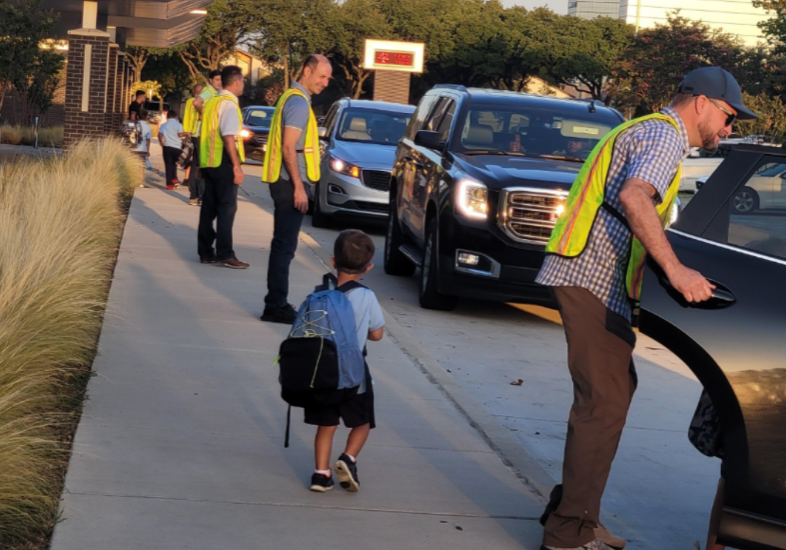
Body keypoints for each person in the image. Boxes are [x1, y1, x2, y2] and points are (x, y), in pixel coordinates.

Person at [534, 66, 757, 550]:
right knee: (603, 403)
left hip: (591, 276)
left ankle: (579, 518)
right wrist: (676, 270)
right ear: (701, 102)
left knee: (613, 396)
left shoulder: (644, 129)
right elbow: (635, 197)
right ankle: (567, 534)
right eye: (728, 116)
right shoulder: (663, 137)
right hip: (588, 276)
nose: (729, 128)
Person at [306, 229, 384, 493]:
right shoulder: (367, 296)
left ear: (333, 261)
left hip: (322, 372)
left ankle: (321, 474)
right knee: (362, 422)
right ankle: (348, 458)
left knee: (326, 425)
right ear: (368, 267)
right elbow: (377, 334)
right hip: (354, 372)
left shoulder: (319, 293)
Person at [261, 54, 332, 324]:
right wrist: (299, 188)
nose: (325, 82)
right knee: (284, 247)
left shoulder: (291, 97)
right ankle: (275, 305)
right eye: (321, 76)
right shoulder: (299, 103)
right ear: (306, 71)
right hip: (289, 184)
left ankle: (276, 302)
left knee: (283, 245)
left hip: (285, 182)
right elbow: (289, 146)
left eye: (328, 78)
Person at [197, 65, 249, 269]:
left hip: (209, 162)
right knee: (227, 209)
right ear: (236, 82)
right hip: (224, 162)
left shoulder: (212, 103)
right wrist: (236, 166)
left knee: (208, 209)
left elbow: (204, 134)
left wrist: (200, 163)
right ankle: (225, 253)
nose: (243, 85)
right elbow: (228, 137)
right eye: (243, 81)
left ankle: (205, 252)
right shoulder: (229, 105)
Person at [184, 84, 204, 206]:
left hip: (192, 135)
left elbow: (186, 117)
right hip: (201, 135)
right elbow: (201, 117)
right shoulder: (201, 103)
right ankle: (201, 195)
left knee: (194, 164)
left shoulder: (188, 102)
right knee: (202, 166)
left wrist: (187, 131)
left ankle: (193, 196)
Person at [159, 110, 185, 191]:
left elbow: (160, 134)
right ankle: (174, 178)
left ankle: (169, 184)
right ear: (176, 116)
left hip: (167, 146)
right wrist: (186, 134)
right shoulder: (179, 125)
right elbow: (180, 134)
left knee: (168, 165)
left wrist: (162, 143)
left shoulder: (164, 125)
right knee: (175, 163)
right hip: (177, 146)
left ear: (167, 117)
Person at [131, 109, 153, 188]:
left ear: (137, 116)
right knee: (141, 166)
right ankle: (140, 182)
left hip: (133, 148)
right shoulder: (148, 127)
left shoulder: (133, 125)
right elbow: (148, 140)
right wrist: (148, 150)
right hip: (142, 148)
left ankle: (133, 180)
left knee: (132, 165)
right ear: (146, 117)